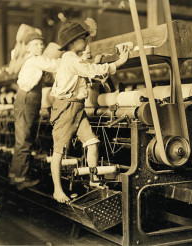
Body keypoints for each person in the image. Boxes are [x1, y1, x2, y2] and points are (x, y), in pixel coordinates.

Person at [50, 22, 129, 203]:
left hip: (77, 107)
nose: (86, 40)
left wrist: (97, 62)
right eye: (82, 38)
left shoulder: (73, 59)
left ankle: (93, 179)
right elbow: (92, 71)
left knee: (92, 142)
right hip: (66, 108)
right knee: (59, 151)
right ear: (71, 43)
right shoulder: (71, 59)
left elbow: (89, 70)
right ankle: (57, 190)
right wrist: (119, 62)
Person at [9, 32, 61, 190]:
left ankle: (15, 175)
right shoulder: (35, 59)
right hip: (28, 99)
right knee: (24, 139)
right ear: (28, 47)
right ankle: (21, 179)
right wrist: (71, 59)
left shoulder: (30, 60)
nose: (41, 46)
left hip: (26, 98)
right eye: (36, 44)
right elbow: (55, 65)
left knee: (22, 139)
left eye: (41, 44)